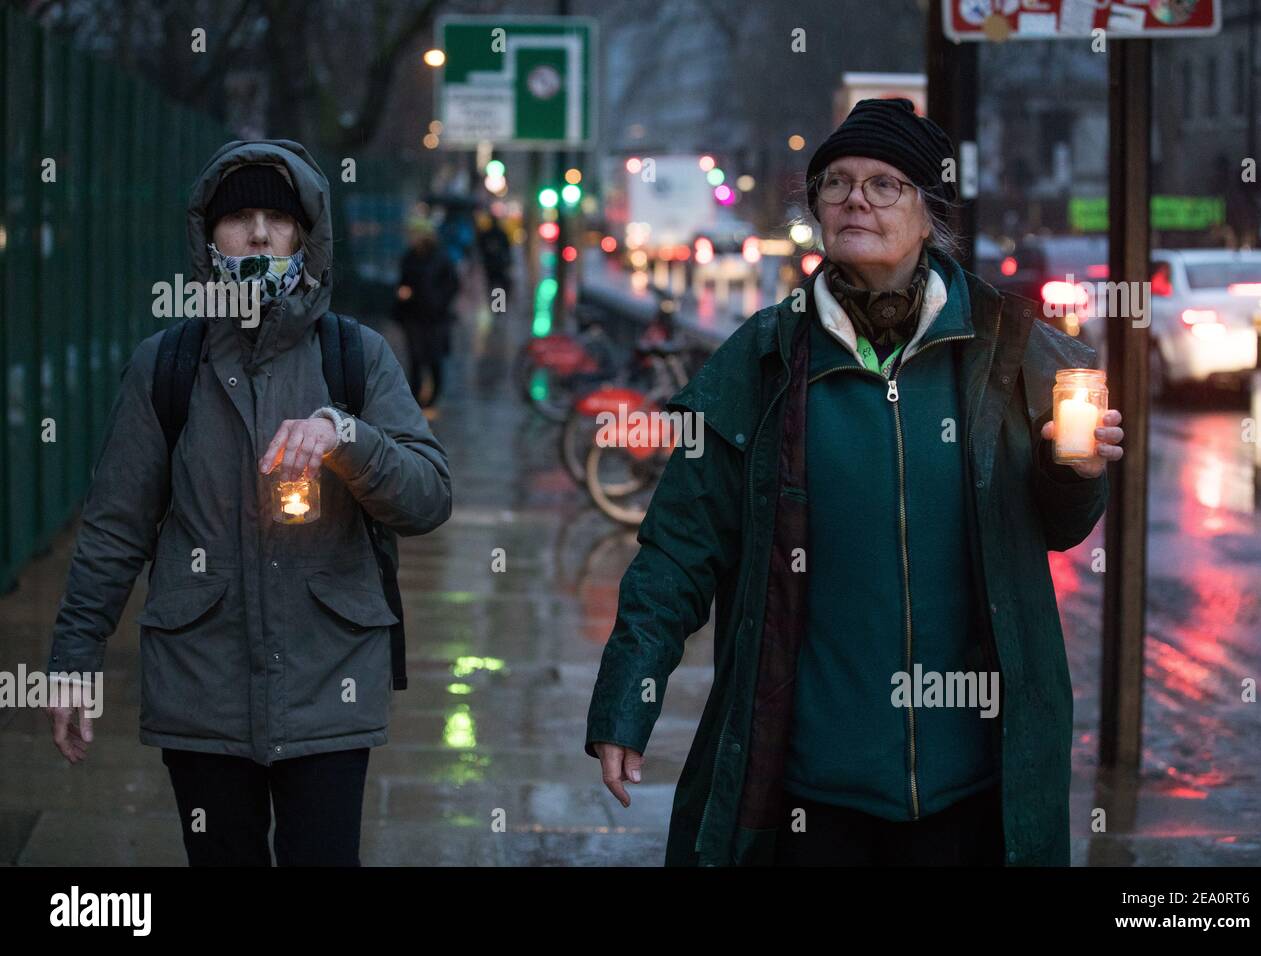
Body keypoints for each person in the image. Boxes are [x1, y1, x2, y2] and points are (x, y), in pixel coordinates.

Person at [584, 99, 1126, 867]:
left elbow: (1062, 524)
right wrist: (627, 697)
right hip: (813, 794)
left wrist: (1078, 470)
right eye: (834, 184)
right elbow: (678, 547)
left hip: (974, 790)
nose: (853, 201)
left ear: (930, 211)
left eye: (883, 184)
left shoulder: (1010, 348)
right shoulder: (764, 358)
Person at [43, 139, 452, 866]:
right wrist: (74, 659)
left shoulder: (355, 357)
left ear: (306, 234)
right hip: (202, 694)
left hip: (331, 685)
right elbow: (115, 528)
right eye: (239, 218)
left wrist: (345, 435)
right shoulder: (165, 365)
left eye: (277, 217)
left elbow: (427, 499)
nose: (260, 233)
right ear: (209, 237)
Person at [394, 215, 459, 410]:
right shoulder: (409, 256)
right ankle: (414, 396)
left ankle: (434, 396)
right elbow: (403, 281)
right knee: (415, 357)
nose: (411, 238)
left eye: (414, 234)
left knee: (433, 357)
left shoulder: (441, 257)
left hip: (435, 317)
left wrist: (438, 302)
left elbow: (452, 284)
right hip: (412, 315)